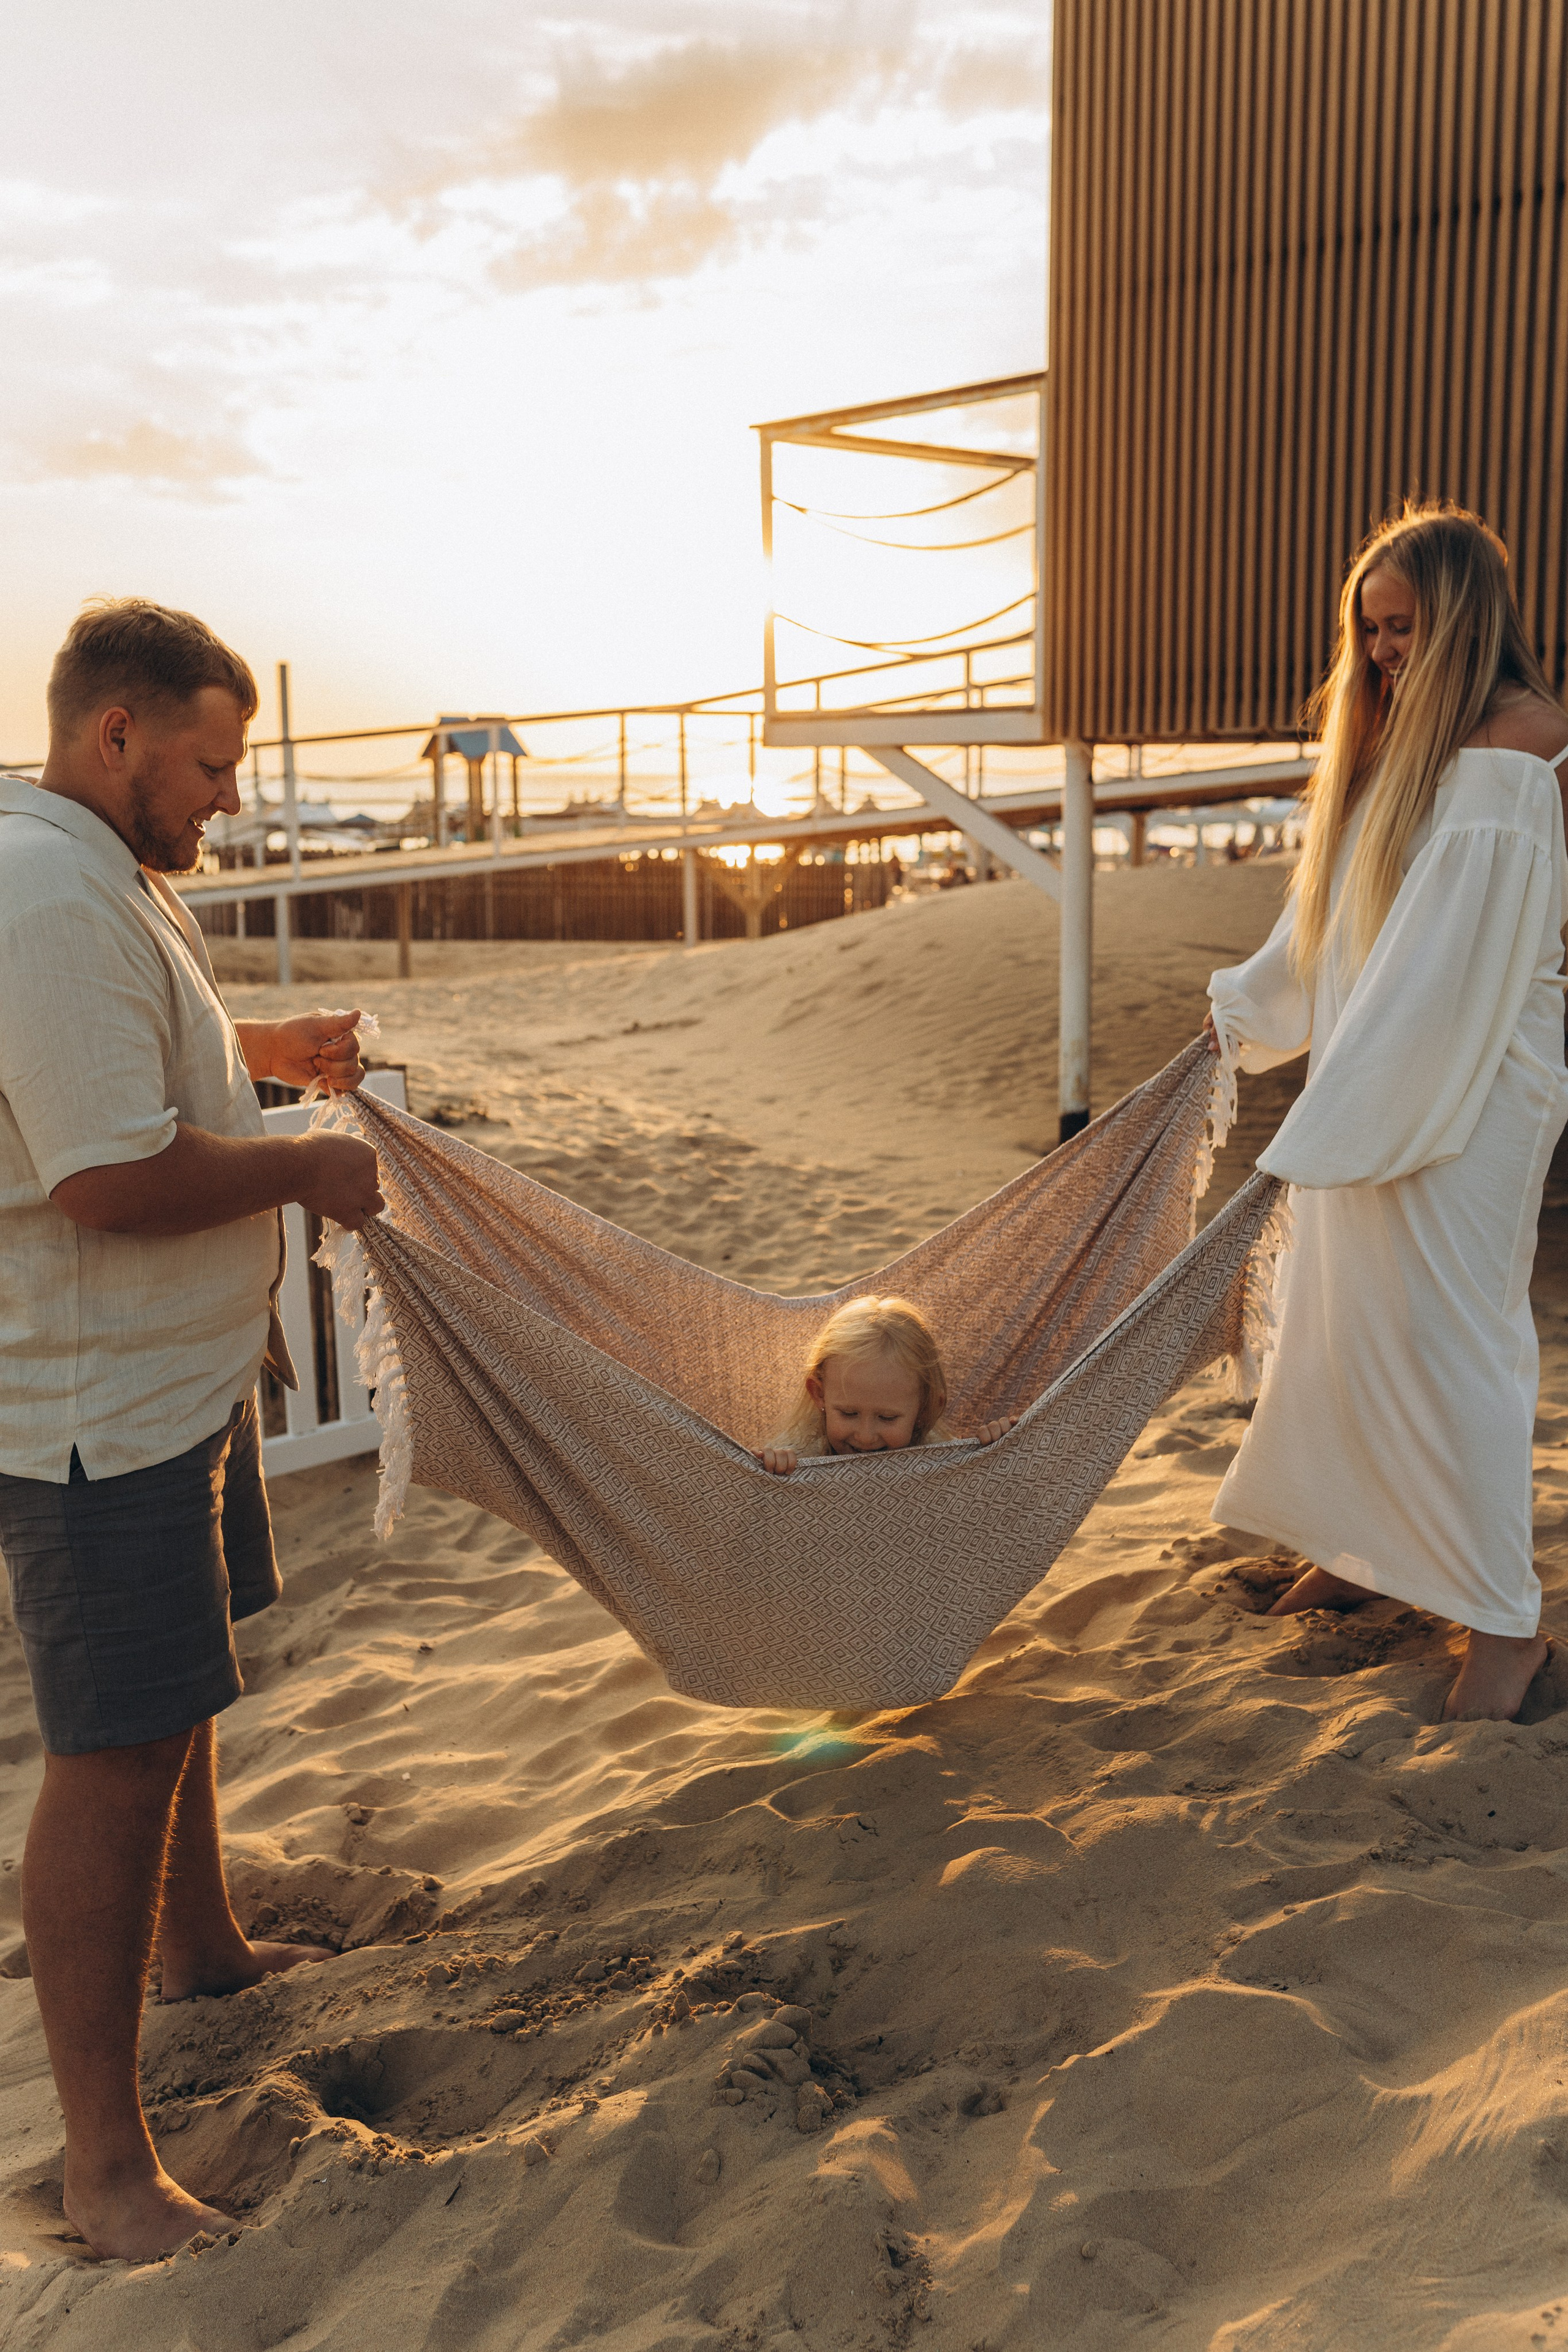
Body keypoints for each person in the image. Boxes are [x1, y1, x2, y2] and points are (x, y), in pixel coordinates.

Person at [0, 599, 385, 2262]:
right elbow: (100, 1173)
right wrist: (304, 1165)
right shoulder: (42, 890)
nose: (231, 795)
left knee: (182, 1693)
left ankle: (202, 1949)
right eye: (214, 764)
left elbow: (121, 1074)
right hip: (96, 1414)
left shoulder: (109, 866)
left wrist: (259, 1057)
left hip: (175, 1378)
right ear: (117, 735)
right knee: (115, 1751)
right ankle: (104, 2171)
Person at [1205, 504, 1568, 1723]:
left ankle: (1503, 1629)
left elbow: (1449, 962)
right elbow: (1337, 923)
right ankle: (1357, 1550)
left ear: (1464, 616)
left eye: (1402, 628)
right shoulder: (1399, 745)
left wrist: (1335, 1115)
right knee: (1347, 1315)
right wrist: (1239, 1018)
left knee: (1450, 1338)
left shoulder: (1527, 747)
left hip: (1474, 1085)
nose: (1380, 653)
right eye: (1368, 632)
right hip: (1373, 1072)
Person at [758, 1294, 1018, 1474]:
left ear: (925, 1408)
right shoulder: (801, 1454)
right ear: (819, 1394)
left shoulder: (939, 1456)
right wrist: (772, 1470)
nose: (866, 1436)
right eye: (848, 1414)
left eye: (887, 1418)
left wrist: (999, 1452)